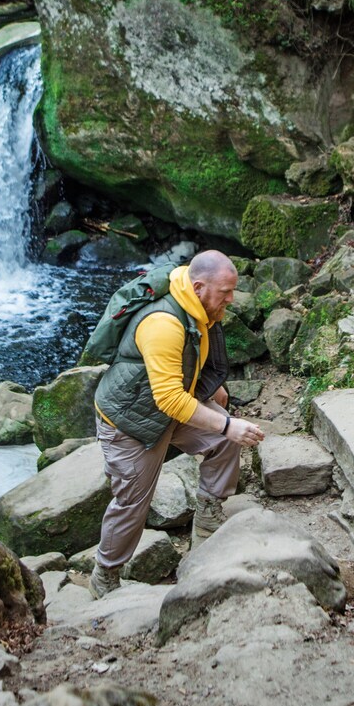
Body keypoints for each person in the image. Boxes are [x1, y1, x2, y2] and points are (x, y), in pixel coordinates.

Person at [89, 249, 265, 598]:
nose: (231, 299)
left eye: (232, 291)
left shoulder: (196, 303)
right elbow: (167, 398)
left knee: (224, 433)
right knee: (132, 505)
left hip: (166, 407)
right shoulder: (164, 324)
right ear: (198, 286)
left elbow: (188, 365)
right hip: (130, 423)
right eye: (225, 293)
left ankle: (207, 513)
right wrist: (225, 424)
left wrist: (217, 405)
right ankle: (104, 576)